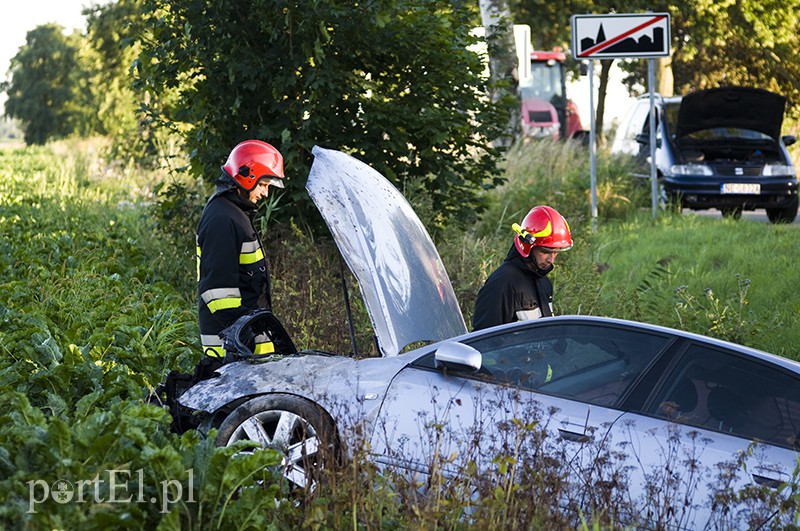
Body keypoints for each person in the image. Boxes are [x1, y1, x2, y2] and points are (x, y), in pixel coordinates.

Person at [196, 139, 285, 360]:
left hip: (243, 342)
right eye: (263, 184)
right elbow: (217, 291)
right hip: (230, 350)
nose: (265, 193)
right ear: (247, 177)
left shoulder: (234, 213)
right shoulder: (222, 219)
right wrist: (245, 338)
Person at [472, 205, 572, 331]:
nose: (551, 260)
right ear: (527, 246)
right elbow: (484, 339)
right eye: (545, 252)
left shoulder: (543, 282)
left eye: (556, 252)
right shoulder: (501, 284)